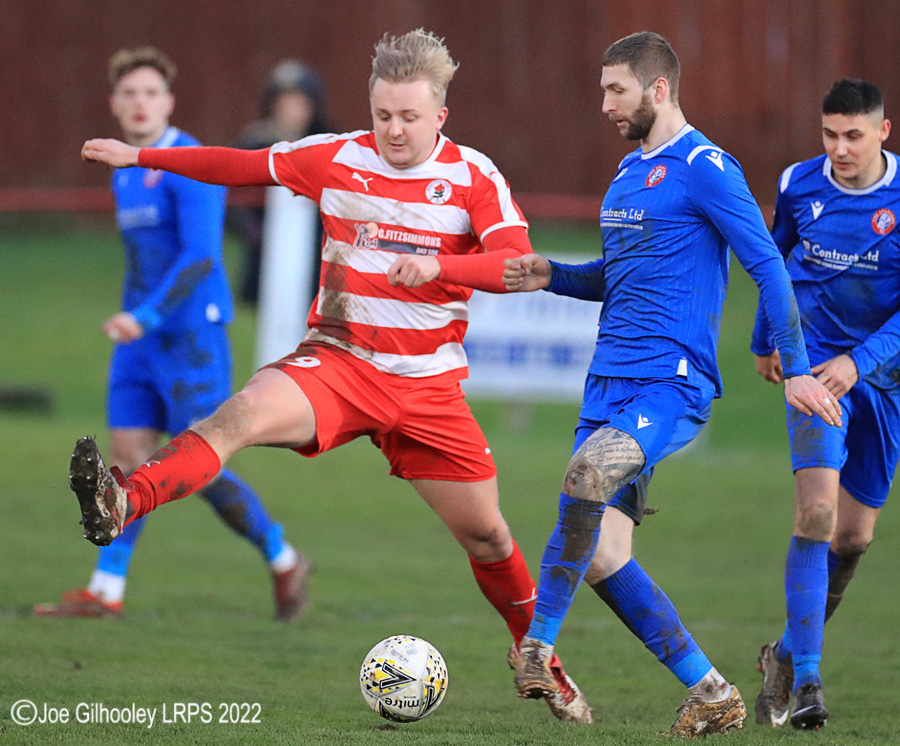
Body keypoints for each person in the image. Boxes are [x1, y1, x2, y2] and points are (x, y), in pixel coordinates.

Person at [73, 30, 592, 723]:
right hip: (339, 362)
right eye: (383, 115)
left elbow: (518, 266)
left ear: (440, 114)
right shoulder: (336, 156)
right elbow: (239, 165)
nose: (394, 130)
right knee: (236, 417)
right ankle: (124, 501)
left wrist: (443, 266)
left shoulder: (473, 177)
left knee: (490, 538)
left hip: (427, 387)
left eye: (409, 117)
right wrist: (142, 154)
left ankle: (540, 661)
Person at [500, 31, 842, 737]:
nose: (604, 104)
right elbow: (617, 276)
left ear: (658, 90)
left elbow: (769, 268)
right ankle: (712, 692)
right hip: (608, 387)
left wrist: (797, 366)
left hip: (670, 386)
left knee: (586, 475)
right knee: (602, 555)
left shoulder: (708, 167)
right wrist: (553, 275)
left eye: (615, 90)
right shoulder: (630, 173)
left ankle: (536, 646)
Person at [36, 47, 309, 622]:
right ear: (115, 104)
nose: (140, 103)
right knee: (127, 460)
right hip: (138, 340)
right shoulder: (125, 172)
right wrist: (134, 319)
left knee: (201, 465)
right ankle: (106, 589)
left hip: (191, 337)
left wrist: (147, 316)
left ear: (169, 102)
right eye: (129, 94)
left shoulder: (190, 163)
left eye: (150, 93)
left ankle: (282, 556)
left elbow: (201, 257)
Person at [751, 78, 900, 730]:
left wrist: (860, 362)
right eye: (829, 134)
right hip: (813, 374)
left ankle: (783, 654)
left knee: (855, 536)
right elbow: (774, 260)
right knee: (815, 511)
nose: (839, 148)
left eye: (853, 135)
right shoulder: (797, 183)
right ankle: (808, 682)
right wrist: (767, 341)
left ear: (882, 132)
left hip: (883, 383)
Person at [229, 59, 330, 304]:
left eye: (300, 102)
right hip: (263, 253)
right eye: (284, 102)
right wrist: (252, 230)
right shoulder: (254, 142)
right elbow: (232, 198)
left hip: (313, 255)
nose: (292, 110)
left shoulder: (326, 144)